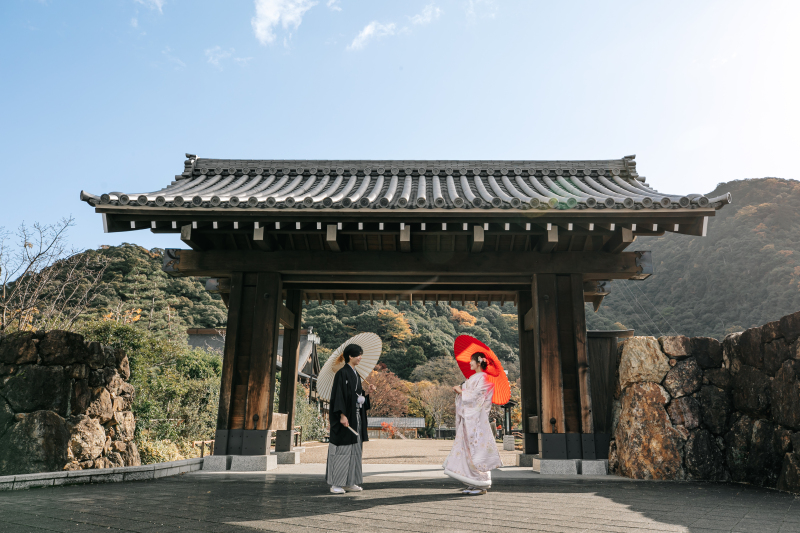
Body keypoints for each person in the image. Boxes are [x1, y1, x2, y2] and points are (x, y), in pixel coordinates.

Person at [442, 351, 502, 495]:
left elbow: (478, 397)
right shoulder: (475, 378)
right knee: (467, 450)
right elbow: (471, 396)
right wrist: (461, 392)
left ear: (479, 362)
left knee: (477, 450)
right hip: (469, 420)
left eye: (472, 360)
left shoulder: (485, 378)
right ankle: (472, 481)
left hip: (476, 421)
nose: (470, 363)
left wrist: (462, 392)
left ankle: (480, 483)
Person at [326, 344, 376, 494]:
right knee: (342, 449)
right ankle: (336, 483)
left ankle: (350, 481)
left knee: (356, 449)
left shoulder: (356, 374)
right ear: (350, 356)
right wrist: (342, 415)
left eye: (361, 354)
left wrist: (367, 393)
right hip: (346, 417)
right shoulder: (342, 373)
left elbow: (357, 396)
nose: (360, 357)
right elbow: (339, 395)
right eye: (358, 355)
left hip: (356, 417)